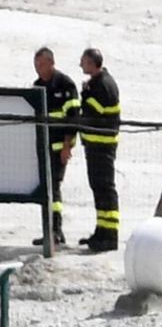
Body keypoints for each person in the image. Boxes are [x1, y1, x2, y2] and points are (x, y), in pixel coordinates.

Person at [31, 47, 81, 246]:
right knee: (47, 188)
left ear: (51, 63)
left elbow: (73, 118)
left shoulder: (65, 84)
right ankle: (50, 230)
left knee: (54, 187)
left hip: (60, 147)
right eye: (36, 65)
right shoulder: (37, 86)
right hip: (43, 147)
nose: (38, 69)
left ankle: (55, 230)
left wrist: (67, 146)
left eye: (41, 65)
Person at [77, 48, 121, 252]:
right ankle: (101, 231)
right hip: (95, 146)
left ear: (93, 63)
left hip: (102, 147)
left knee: (105, 189)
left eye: (83, 62)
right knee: (99, 189)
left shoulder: (103, 84)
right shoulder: (99, 82)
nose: (81, 65)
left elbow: (92, 110)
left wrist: (85, 93)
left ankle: (110, 235)